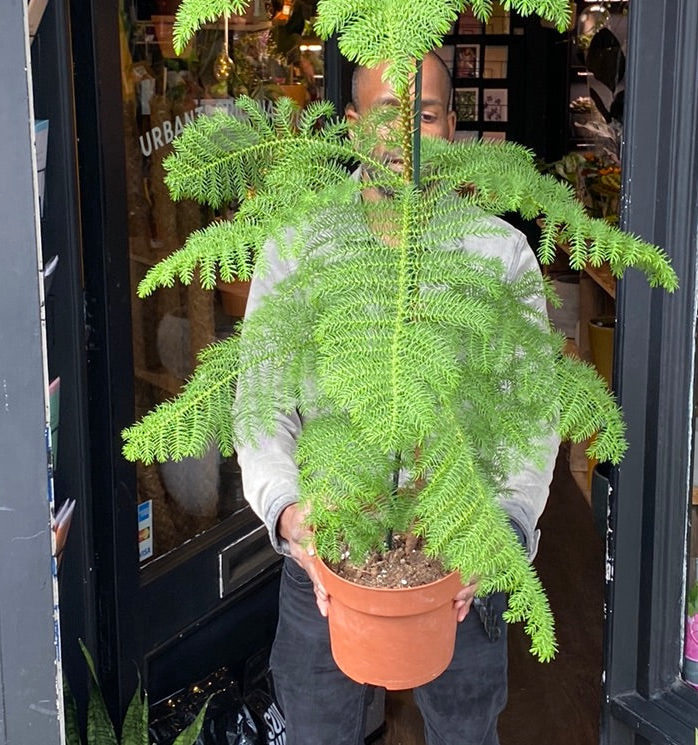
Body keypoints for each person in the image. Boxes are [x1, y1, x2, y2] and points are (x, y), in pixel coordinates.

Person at [237, 53, 560, 745]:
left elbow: (531, 411)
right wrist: (289, 508)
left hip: (459, 553)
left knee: (466, 732)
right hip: (327, 552)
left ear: (452, 129)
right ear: (352, 128)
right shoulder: (298, 249)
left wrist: (500, 527)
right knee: (318, 731)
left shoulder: (498, 256)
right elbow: (260, 402)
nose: (405, 136)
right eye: (385, 114)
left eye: (428, 113)